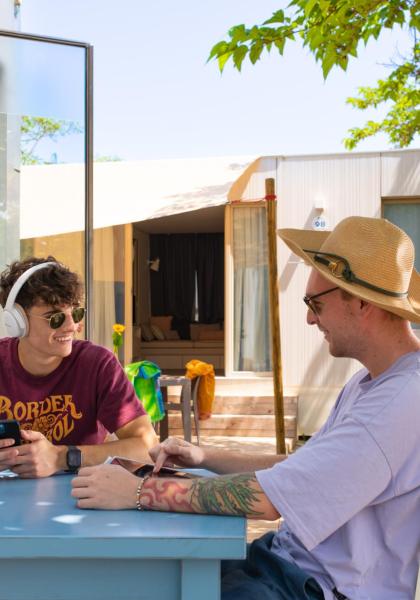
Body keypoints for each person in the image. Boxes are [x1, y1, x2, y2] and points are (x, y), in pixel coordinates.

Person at [71, 217, 420, 600]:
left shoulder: (399, 402)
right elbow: (300, 471)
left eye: (315, 303)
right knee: (145, 576)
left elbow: (266, 500)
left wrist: (138, 492)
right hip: (286, 565)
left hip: (313, 588)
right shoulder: (373, 382)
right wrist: (205, 456)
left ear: (361, 303)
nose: (309, 317)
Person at [0, 256, 158, 478]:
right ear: (17, 321)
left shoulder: (97, 365)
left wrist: (61, 457)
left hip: (82, 496)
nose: (72, 326)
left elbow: (147, 446)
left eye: (75, 313)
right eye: (55, 318)